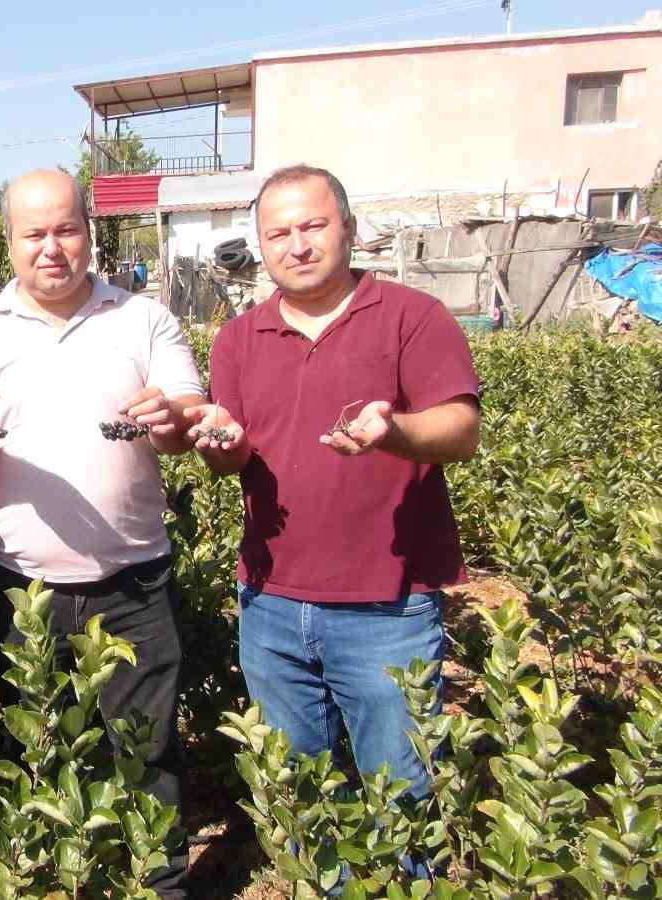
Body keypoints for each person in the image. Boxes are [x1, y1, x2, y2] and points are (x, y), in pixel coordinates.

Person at [0, 168, 203, 899]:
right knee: (37, 749)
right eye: (33, 234)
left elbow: (183, 424)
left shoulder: (144, 320)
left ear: (89, 231)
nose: (51, 248)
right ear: (10, 242)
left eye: (65, 230)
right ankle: (47, 880)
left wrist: (174, 421)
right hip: (22, 589)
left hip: (134, 583)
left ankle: (156, 884)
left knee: (145, 752)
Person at [186, 164, 480, 805]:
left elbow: (461, 429)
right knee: (300, 797)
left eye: (313, 225)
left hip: (388, 607)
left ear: (348, 229)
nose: (297, 245)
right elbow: (229, 461)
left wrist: (394, 431)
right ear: (261, 246)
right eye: (278, 233)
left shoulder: (413, 317)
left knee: (400, 796)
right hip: (270, 605)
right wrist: (223, 446)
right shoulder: (237, 339)